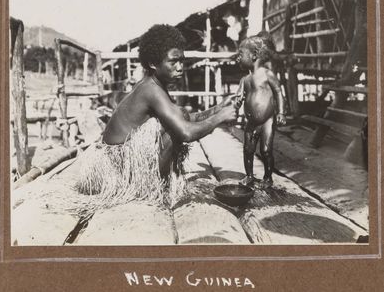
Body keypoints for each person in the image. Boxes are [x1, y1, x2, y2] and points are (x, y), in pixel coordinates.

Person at [77, 24, 238, 211]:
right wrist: (220, 118)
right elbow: (185, 132)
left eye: (182, 61)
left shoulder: (154, 85)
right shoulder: (151, 90)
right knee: (174, 130)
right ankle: (155, 189)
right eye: (173, 62)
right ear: (153, 63)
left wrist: (219, 108)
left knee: (180, 115)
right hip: (114, 170)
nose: (180, 68)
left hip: (121, 163)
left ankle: (158, 184)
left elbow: (186, 117)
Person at [235, 34, 286, 189]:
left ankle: (268, 178)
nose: (238, 58)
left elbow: (278, 92)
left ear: (254, 55)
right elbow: (239, 96)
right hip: (251, 122)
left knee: (265, 150)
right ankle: (249, 176)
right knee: (247, 149)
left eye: (240, 54)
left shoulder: (266, 74)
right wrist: (237, 101)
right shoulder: (245, 80)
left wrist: (281, 112)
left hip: (267, 120)